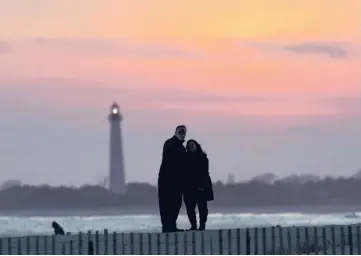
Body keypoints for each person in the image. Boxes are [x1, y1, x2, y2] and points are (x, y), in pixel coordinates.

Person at [158, 125, 187, 233]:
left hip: (177, 181)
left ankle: (171, 225)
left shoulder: (181, 148)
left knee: (176, 203)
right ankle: (167, 226)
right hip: (168, 180)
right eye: (180, 131)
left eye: (183, 131)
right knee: (167, 204)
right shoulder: (169, 144)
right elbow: (169, 161)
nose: (181, 133)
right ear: (175, 132)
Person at [184, 139, 214, 231]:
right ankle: (193, 225)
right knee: (189, 207)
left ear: (197, 145)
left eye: (192, 144)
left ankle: (202, 225)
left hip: (202, 185)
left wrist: (202, 185)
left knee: (202, 208)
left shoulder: (203, 157)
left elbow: (204, 172)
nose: (191, 146)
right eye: (189, 145)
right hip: (189, 186)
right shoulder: (185, 158)